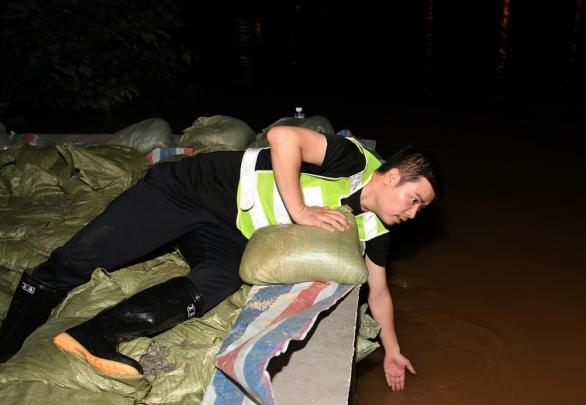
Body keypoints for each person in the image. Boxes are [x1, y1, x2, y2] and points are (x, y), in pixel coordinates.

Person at [0, 126, 443, 391]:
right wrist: (300, 211)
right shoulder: (349, 159)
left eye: (420, 209)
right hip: (186, 190)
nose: (412, 212)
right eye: (413, 198)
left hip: (228, 229)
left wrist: (391, 351)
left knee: (220, 280)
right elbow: (283, 136)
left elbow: (379, 291)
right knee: (83, 257)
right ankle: (8, 341)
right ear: (389, 176)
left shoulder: (377, 229)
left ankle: (96, 334)